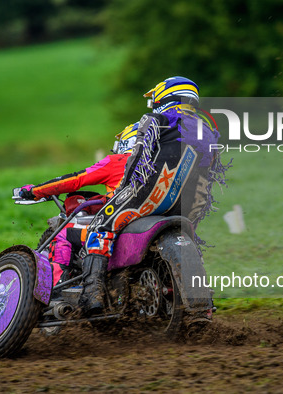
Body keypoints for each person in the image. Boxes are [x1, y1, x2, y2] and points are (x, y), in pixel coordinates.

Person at [79, 76, 225, 316]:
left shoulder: (156, 118)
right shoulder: (208, 130)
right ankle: (204, 303)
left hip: (153, 192)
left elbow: (139, 157)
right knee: (187, 239)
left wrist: (124, 190)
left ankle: (91, 293)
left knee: (100, 226)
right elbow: (211, 171)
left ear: (165, 97)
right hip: (191, 201)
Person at [18, 123, 138, 286]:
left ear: (127, 142)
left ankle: (57, 287)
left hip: (120, 228)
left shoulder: (117, 161)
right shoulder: (165, 164)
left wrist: (36, 190)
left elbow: (76, 179)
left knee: (63, 235)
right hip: (151, 219)